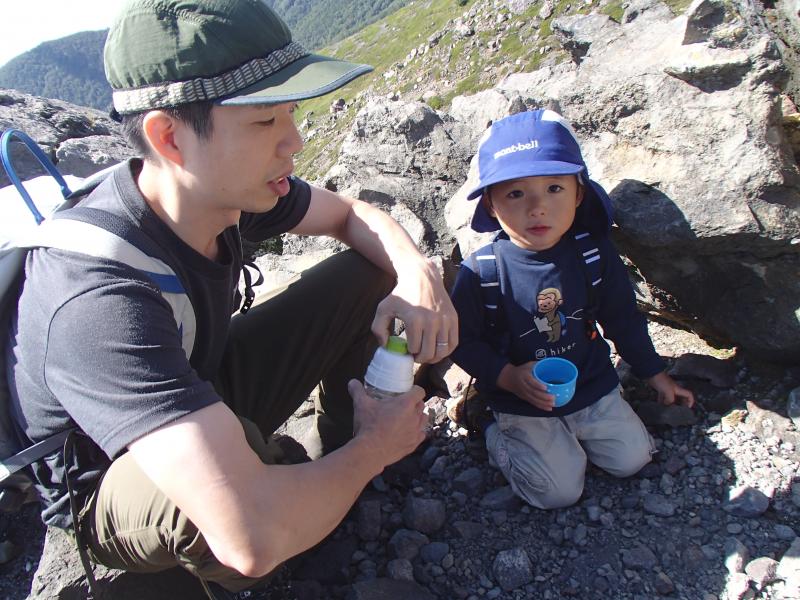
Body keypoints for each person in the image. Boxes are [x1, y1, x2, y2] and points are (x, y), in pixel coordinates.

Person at [6, 0, 458, 595]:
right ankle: (268, 521)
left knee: (370, 274)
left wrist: (416, 273)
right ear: (169, 137)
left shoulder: (217, 192)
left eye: (291, 113)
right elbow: (251, 536)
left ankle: (327, 464)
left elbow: (351, 215)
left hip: (199, 380)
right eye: (265, 121)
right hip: (110, 472)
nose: (294, 141)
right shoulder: (97, 300)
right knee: (234, 527)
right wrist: (376, 448)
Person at [449, 109, 693, 510]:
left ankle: (570, 437)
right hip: (521, 397)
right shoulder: (482, 272)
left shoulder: (593, 254)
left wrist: (655, 374)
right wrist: (507, 378)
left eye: (554, 188)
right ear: (490, 204)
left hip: (590, 383)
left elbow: (622, 318)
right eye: (515, 194)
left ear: (579, 194)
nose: (537, 207)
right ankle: (489, 423)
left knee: (632, 459)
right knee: (558, 492)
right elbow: (462, 340)